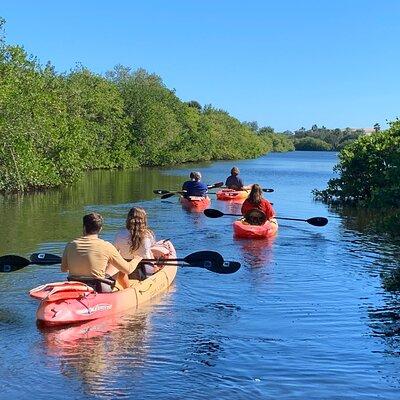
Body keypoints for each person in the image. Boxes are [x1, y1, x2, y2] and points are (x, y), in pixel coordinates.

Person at [61, 212, 142, 292]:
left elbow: (64, 269)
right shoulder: (106, 246)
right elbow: (128, 270)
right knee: (117, 266)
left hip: (75, 286)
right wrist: (137, 259)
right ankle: (128, 291)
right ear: (100, 229)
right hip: (98, 288)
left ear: (84, 227)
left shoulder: (70, 245)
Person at [106, 207, 158, 288]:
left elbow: (114, 252)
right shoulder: (148, 235)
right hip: (143, 270)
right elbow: (148, 255)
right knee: (152, 260)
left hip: (125, 270)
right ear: (144, 220)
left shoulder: (120, 234)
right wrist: (155, 265)